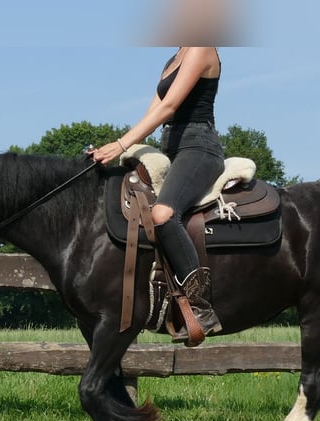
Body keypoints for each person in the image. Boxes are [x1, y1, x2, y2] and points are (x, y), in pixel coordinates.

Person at [90, 46, 225, 340]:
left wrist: (121, 145)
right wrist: (110, 150)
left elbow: (169, 108)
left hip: (198, 148)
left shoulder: (202, 49)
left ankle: (201, 308)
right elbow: (153, 112)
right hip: (171, 150)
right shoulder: (173, 59)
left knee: (163, 214)